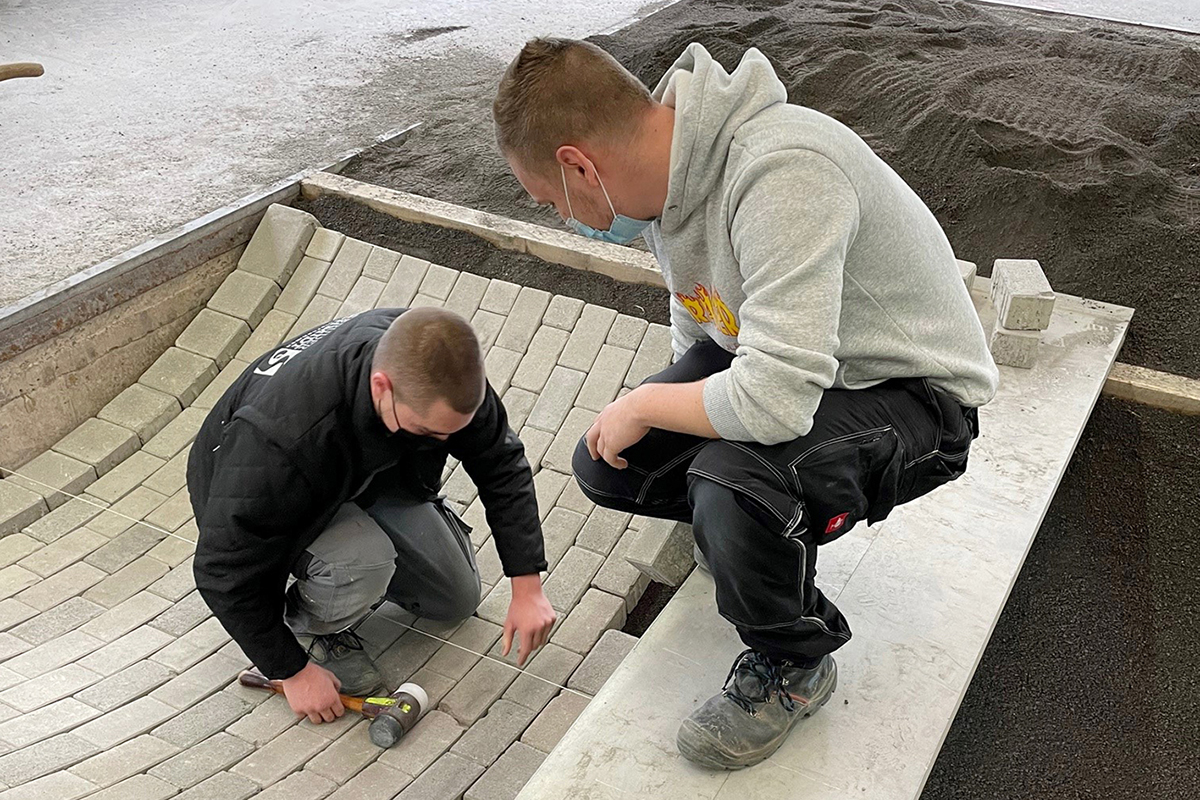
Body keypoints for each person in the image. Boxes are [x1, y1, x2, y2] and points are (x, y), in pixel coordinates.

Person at [493, 39, 999, 769]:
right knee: (612, 461)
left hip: (913, 396)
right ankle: (759, 537)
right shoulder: (664, 186)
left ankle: (795, 661)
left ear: (579, 166)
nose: (563, 217)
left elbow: (775, 402)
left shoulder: (781, 171)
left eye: (552, 202)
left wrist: (651, 407)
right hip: (808, 370)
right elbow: (701, 322)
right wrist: (652, 410)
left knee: (731, 478)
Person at [188, 307, 556, 725]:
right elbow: (220, 570)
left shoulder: (440, 362)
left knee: (455, 598)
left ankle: (367, 554)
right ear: (382, 386)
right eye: (431, 434)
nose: (449, 442)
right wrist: (290, 670)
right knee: (364, 560)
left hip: (359, 477)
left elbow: (500, 461)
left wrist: (526, 584)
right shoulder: (281, 442)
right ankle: (313, 630)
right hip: (264, 499)